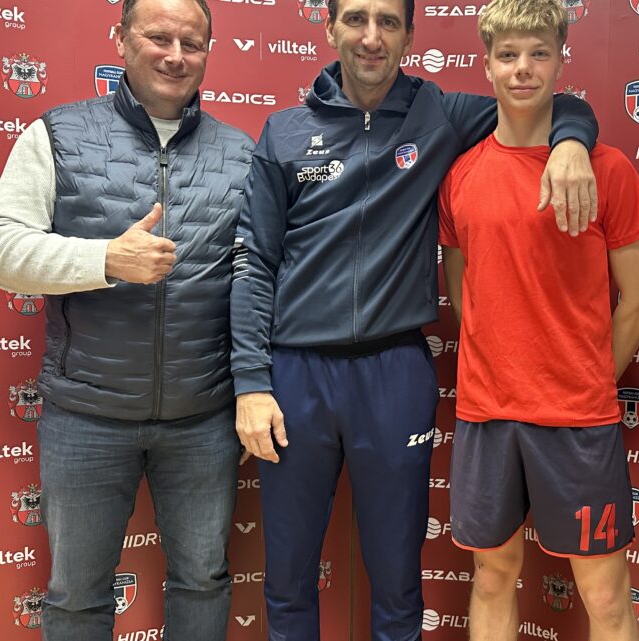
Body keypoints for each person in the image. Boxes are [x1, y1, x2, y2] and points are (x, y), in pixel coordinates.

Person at [228, 0, 601, 638]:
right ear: (330, 27)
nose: (372, 37)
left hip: (393, 372)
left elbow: (554, 104)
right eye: (356, 19)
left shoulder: (438, 113)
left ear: (409, 35)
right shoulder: (285, 132)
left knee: (398, 576)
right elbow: (255, 262)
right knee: (287, 577)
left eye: (389, 22)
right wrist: (251, 383)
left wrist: (570, 143)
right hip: (295, 376)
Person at [0, 0, 253, 639]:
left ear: (208, 52)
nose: (175, 56)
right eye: (159, 37)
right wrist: (104, 259)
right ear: (121, 39)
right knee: (77, 597)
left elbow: (256, 280)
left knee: (204, 581)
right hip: (86, 417)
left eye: (192, 42)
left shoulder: (242, 154)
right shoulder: (57, 134)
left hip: (204, 420)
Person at [437, 1, 639, 639]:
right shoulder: (461, 175)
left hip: (578, 421)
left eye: (538, 53)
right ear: (486, 64)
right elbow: (464, 293)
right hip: (487, 415)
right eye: (508, 55)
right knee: (491, 576)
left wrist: (589, 379)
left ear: (562, 59)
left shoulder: (607, 169)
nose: (523, 69)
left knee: (606, 595)